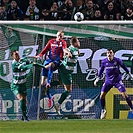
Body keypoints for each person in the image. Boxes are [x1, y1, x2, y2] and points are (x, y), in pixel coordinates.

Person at [34, 30, 71, 108]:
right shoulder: (51, 41)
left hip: (56, 61)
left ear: (63, 37)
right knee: (42, 83)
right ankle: (50, 97)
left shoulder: (63, 43)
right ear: (56, 35)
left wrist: (67, 52)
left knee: (51, 65)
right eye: (58, 35)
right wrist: (39, 55)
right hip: (47, 60)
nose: (59, 37)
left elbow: (64, 49)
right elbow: (45, 49)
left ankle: (49, 82)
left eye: (61, 36)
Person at [94, 48, 133, 119]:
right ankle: (103, 110)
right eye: (108, 53)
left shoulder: (117, 60)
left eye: (110, 53)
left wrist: (129, 74)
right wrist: (97, 79)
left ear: (113, 54)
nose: (109, 54)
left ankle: (132, 108)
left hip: (117, 81)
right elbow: (101, 70)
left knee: (124, 95)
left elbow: (124, 66)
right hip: (108, 81)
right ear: (106, 54)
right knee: (102, 95)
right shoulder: (104, 61)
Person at [54, 36, 80, 115]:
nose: (79, 43)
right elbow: (65, 49)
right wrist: (68, 52)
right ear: (75, 43)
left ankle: (47, 85)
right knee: (68, 90)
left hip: (63, 69)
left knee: (60, 83)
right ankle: (58, 104)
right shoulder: (72, 49)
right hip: (66, 71)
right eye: (78, 41)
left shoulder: (75, 49)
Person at [10, 50, 34, 121]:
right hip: (16, 85)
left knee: (25, 101)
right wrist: (32, 64)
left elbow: (30, 62)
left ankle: (23, 117)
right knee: (21, 99)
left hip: (23, 84)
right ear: (13, 57)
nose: (17, 55)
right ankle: (25, 117)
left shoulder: (22, 60)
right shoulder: (14, 63)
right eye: (16, 55)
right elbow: (24, 68)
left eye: (18, 54)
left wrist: (42, 65)